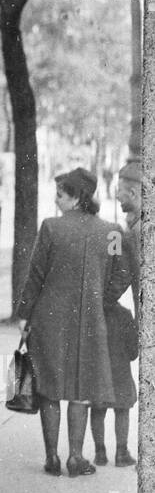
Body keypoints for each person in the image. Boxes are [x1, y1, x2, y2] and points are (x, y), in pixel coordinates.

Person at [16, 167, 132, 478]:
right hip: (90, 321)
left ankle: (52, 457)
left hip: (49, 318)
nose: (56, 200)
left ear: (77, 197)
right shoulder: (112, 232)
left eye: (60, 194)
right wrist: (103, 300)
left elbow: (35, 276)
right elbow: (123, 273)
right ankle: (76, 458)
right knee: (81, 387)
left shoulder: (51, 228)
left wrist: (24, 314)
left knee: (51, 389)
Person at [91, 159, 141, 468]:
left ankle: (110, 450)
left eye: (120, 192)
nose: (117, 198)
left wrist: (101, 299)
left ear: (135, 192)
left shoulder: (135, 231)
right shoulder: (128, 230)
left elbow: (124, 275)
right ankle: (122, 450)